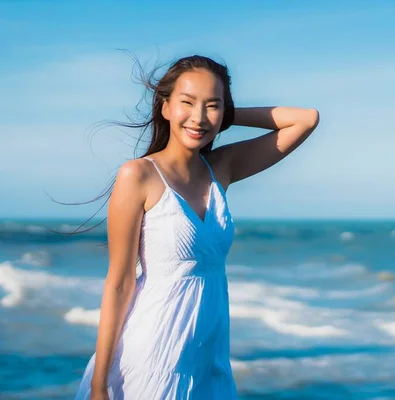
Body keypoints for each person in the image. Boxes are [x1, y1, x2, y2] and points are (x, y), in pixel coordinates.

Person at [74, 55, 319, 400]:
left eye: (212, 106)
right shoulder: (139, 175)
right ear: (165, 107)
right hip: (152, 355)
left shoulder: (221, 168)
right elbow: (119, 282)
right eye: (186, 103)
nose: (199, 117)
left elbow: (305, 120)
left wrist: (226, 115)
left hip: (209, 357)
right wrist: (100, 385)